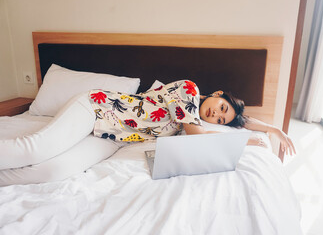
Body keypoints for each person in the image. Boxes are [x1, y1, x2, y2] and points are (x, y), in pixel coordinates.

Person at [0, 80, 295, 171]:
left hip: (114, 137)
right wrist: (245, 140)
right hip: (96, 107)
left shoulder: (189, 120)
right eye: (220, 108)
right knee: (35, 150)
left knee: (54, 171)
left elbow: (239, 120)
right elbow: (199, 138)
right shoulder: (189, 91)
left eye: (220, 119)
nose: (216, 115)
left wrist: (272, 129)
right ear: (216, 94)